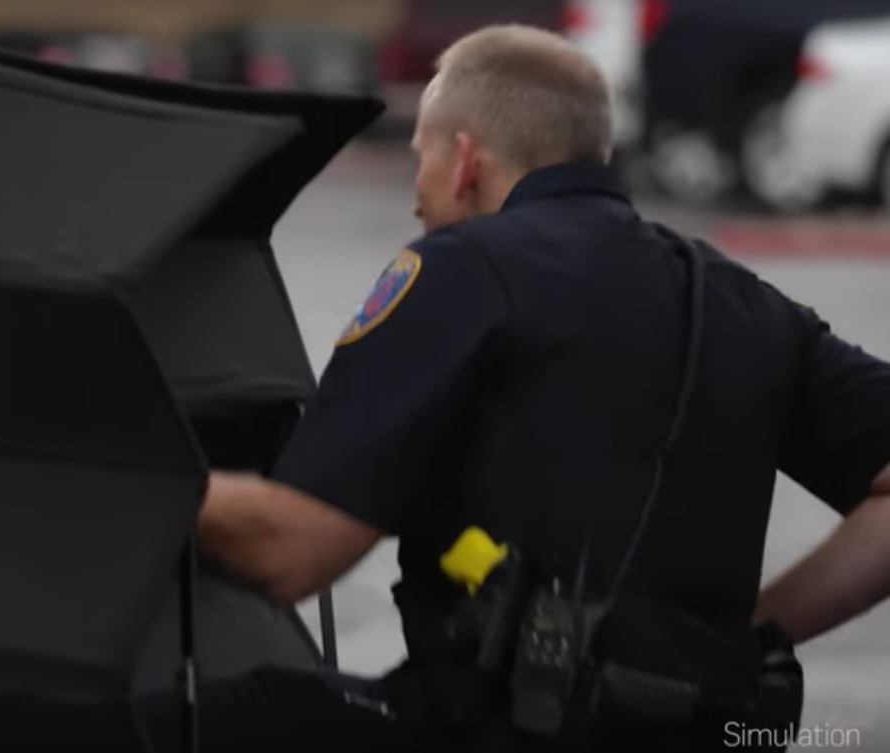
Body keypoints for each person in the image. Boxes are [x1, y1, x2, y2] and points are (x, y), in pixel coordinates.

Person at [112, 23, 890, 753]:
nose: (416, 197)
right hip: (711, 730)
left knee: (138, 725)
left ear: (465, 159)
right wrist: (747, 634)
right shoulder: (743, 301)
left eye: (420, 160)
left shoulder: (462, 270)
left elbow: (293, 551)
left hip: (495, 728)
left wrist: (119, 478)